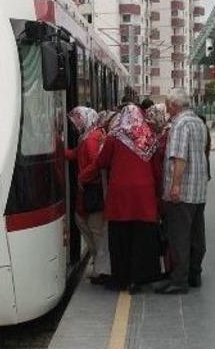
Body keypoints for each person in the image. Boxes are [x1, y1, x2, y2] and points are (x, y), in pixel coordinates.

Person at [80, 104, 161, 294]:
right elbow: (157, 170)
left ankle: (121, 279)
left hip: (120, 196)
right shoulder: (149, 137)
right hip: (144, 196)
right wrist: (158, 194)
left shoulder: (115, 136)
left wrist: (83, 176)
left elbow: (101, 162)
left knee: (120, 238)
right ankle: (139, 279)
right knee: (142, 237)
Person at [155, 89, 209, 295]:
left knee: (179, 237)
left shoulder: (179, 124)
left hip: (183, 190)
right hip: (199, 189)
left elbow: (179, 158)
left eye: (168, 105)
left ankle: (179, 280)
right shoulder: (198, 122)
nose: (167, 109)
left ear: (175, 105)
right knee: (197, 235)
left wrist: (175, 186)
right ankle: (195, 274)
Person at [65, 106, 111, 284]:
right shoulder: (89, 135)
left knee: (94, 229)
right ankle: (100, 266)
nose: (75, 125)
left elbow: (96, 164)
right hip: (90, 190)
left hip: (92, 191)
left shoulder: (91, 139)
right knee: (89, 226)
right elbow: (75, 154)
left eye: (77, 120)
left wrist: (82, 177)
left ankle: (102, 270)